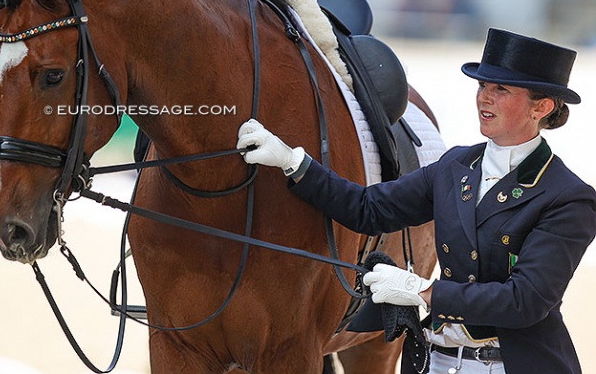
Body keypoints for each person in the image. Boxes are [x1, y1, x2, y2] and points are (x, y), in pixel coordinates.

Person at [237, 28, 596, 374]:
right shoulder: (455, 165)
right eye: (482, 86)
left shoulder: (568, 198)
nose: (484, 97)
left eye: (500, 89)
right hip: (436, 362)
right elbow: (368, 209)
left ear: (542, 107)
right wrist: (295, 163)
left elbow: (525, 301)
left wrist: (421, 291)